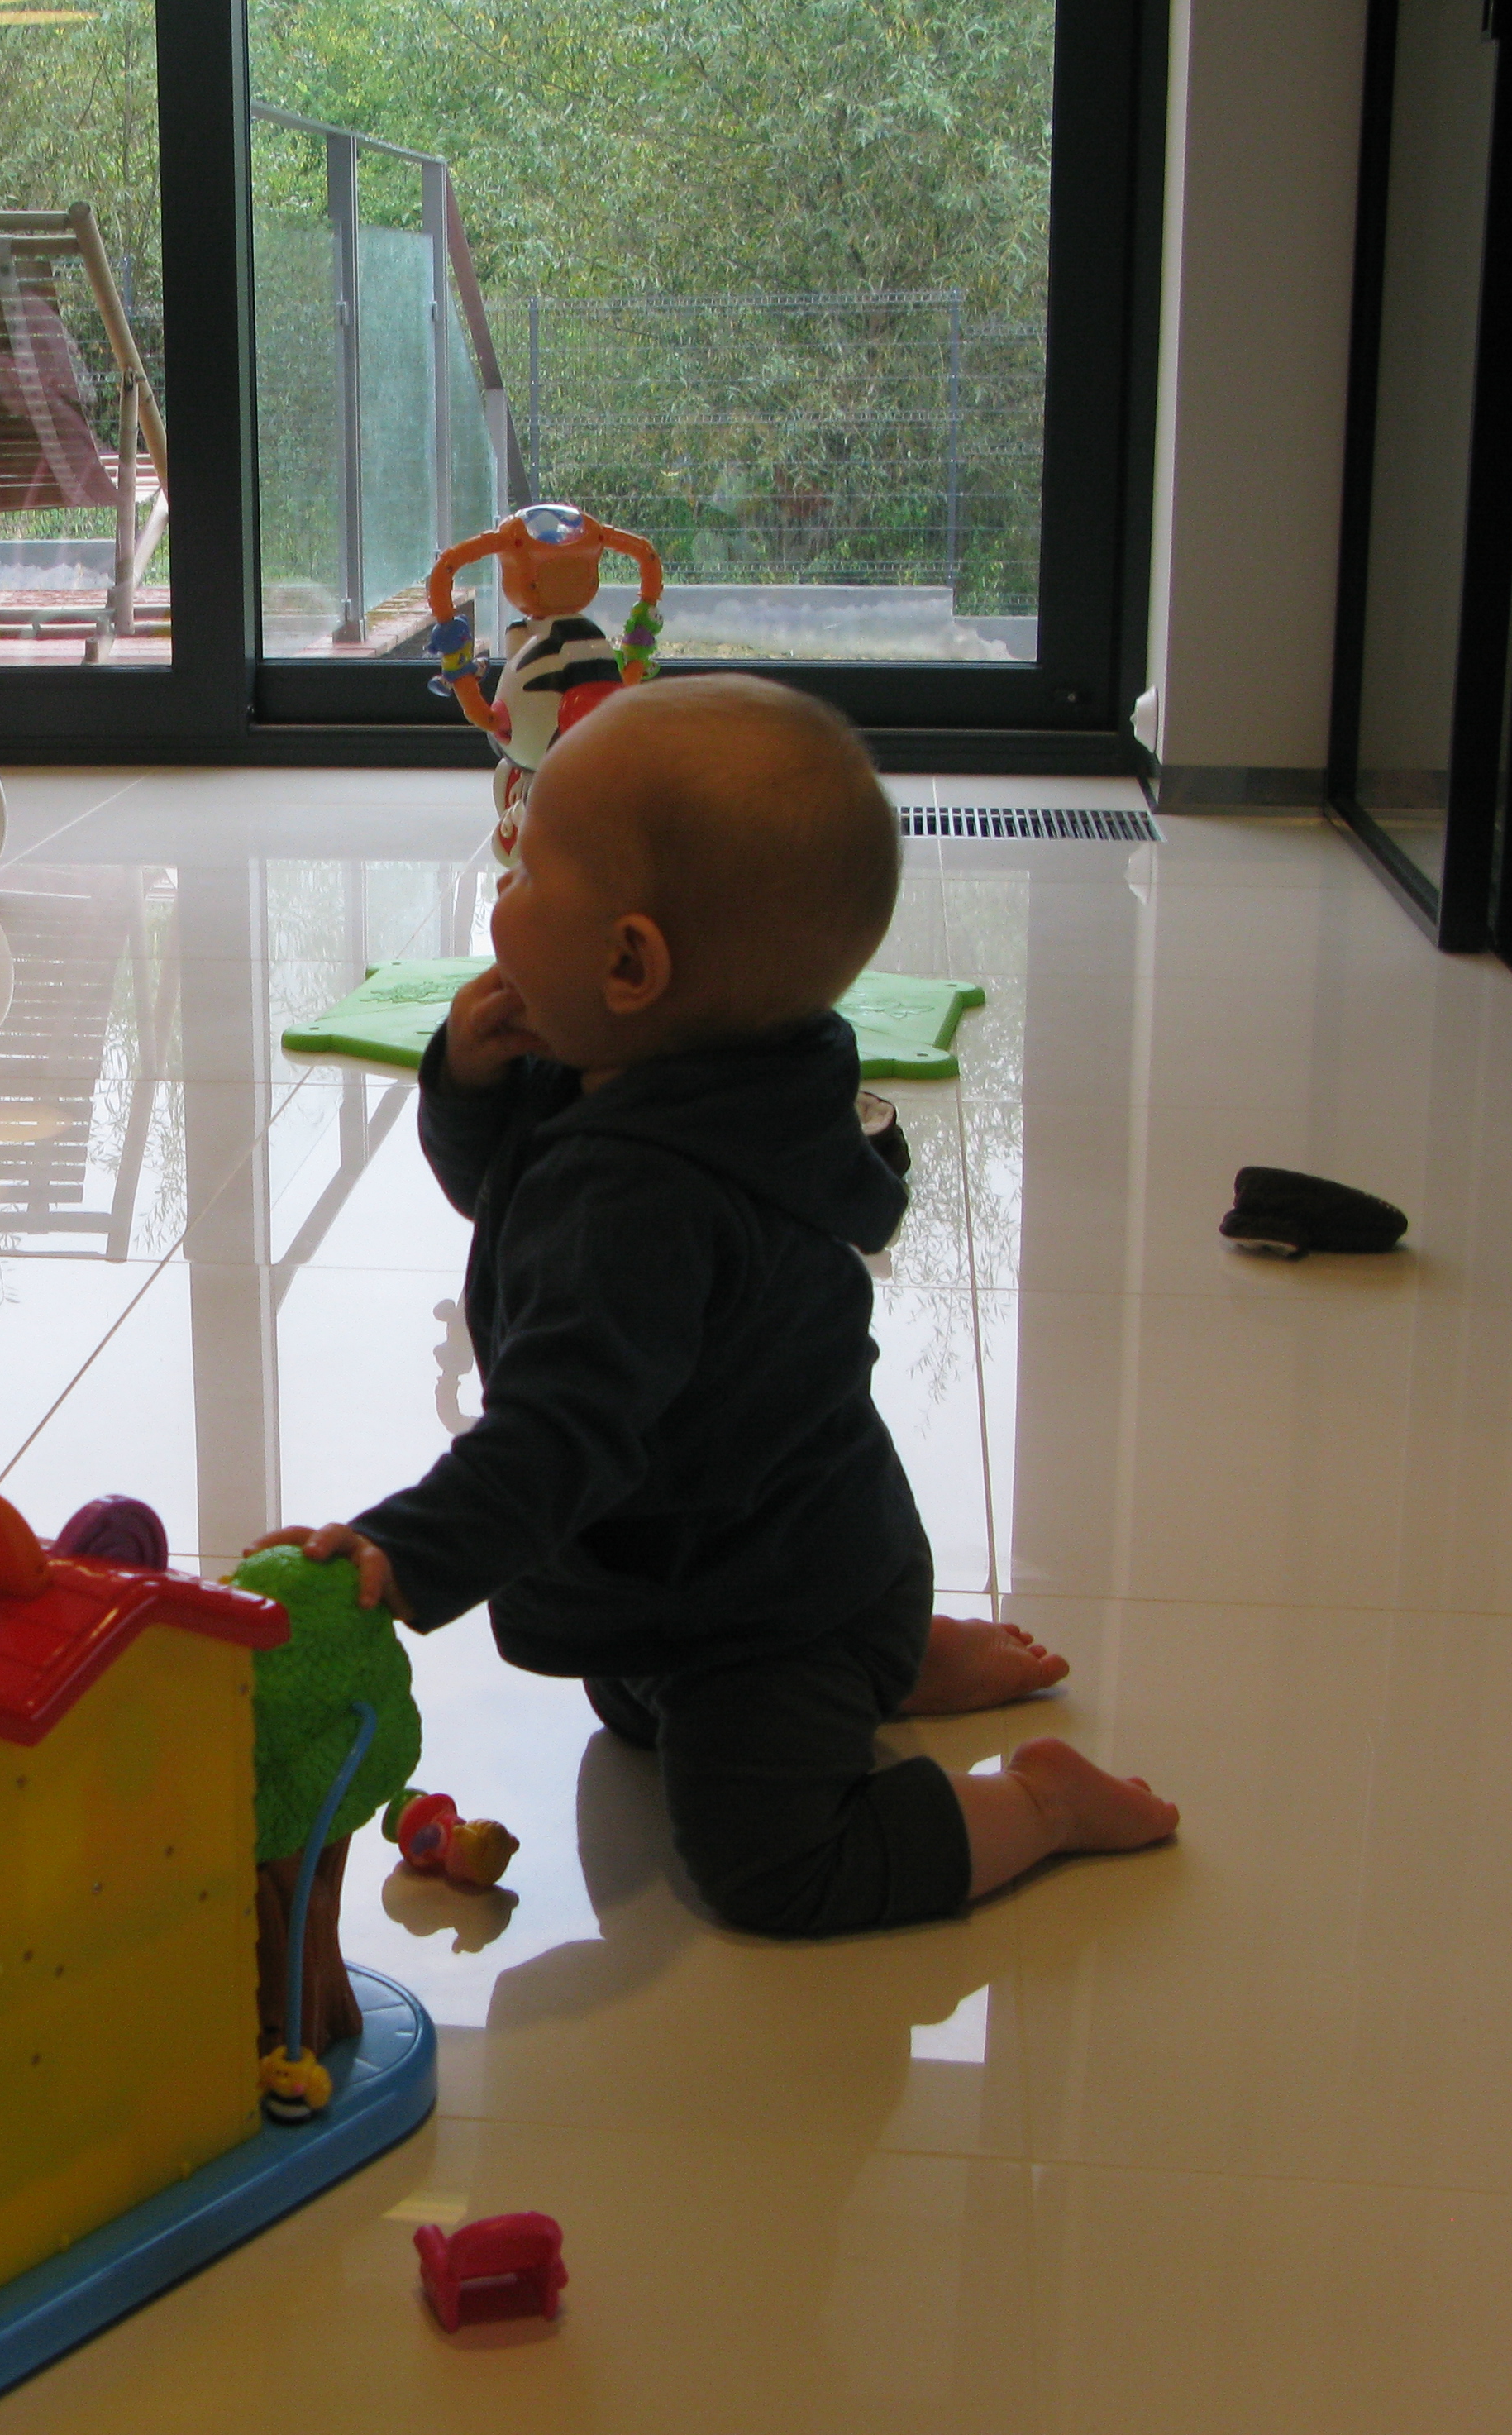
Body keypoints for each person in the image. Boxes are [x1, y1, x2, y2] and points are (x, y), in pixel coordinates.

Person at [262, 677, 1176, 1937]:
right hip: (753, 1543)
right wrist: (471, 1083)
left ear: (629, 963)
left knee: (770, 1867)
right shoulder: (714, 1077)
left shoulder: (644, 1199)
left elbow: (563, 1436)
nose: (499, 882)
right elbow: (504, 1201)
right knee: (632, 1705)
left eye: (524, 871)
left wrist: (406, 1553)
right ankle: (897, 1653)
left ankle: (1034, 1805)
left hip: (771, 1604)